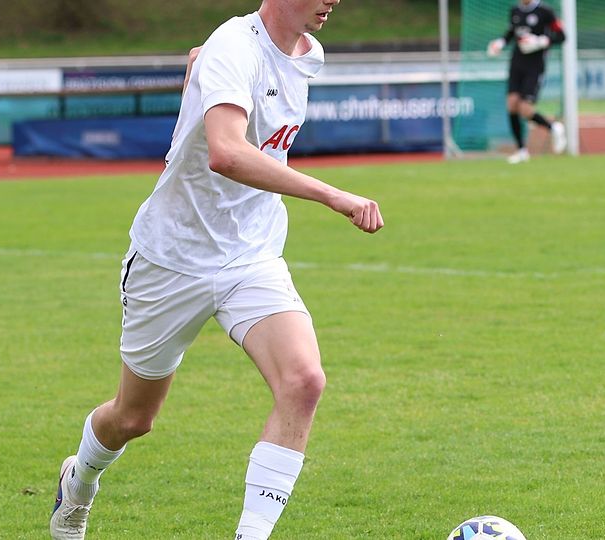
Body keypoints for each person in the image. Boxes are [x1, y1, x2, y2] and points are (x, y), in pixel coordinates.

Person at [49, 1, 384, 539]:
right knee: (133, 419)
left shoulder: (307, 54)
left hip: (251, 255)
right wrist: (333, 195)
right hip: (171, 258)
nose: (335, 0)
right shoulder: (233, 44)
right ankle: (79, 481)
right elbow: (226, 153)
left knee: (303, 381)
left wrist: (200, 79)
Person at [486, 0, 567, 164]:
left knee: (525, 109)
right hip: (517, 64)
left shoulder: (545, 12)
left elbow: (561, 36)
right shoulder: (515, 10)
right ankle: (521, 150)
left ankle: (554, 128)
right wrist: (500, 43)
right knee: (512, 104)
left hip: (535, 67)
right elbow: (511, 32)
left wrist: (540, 41)